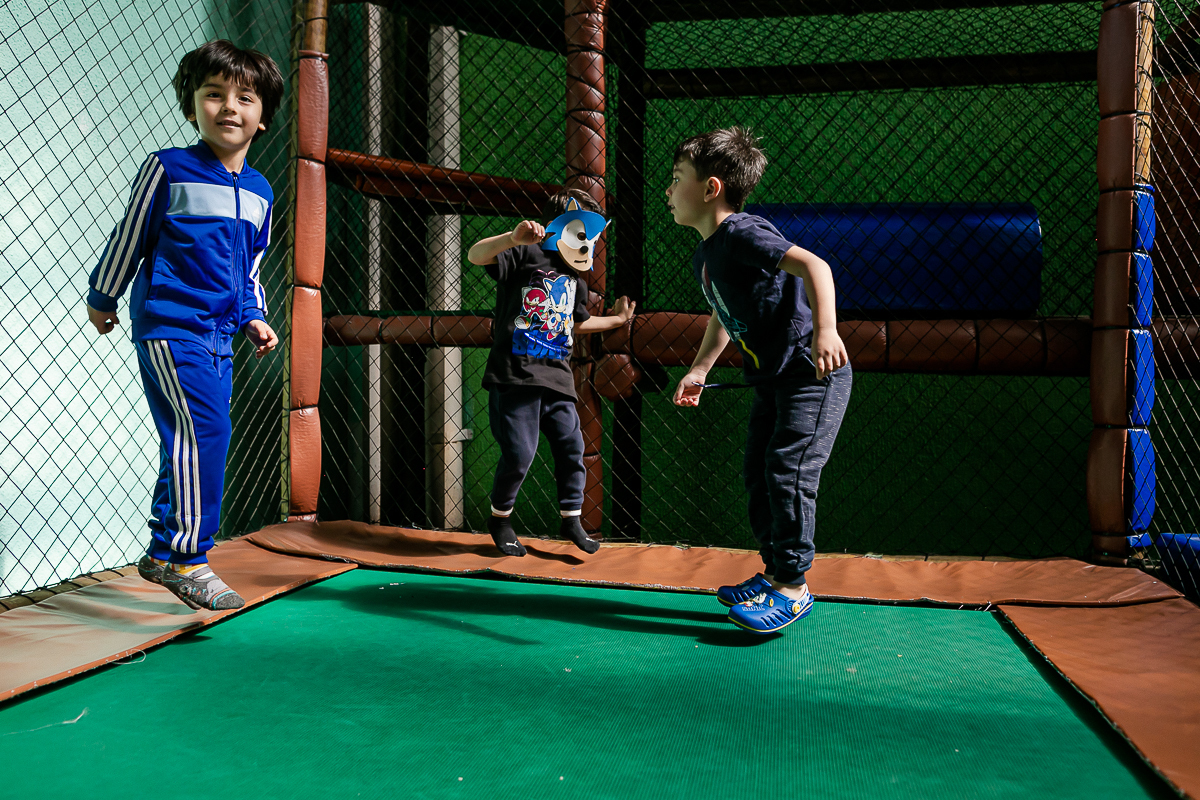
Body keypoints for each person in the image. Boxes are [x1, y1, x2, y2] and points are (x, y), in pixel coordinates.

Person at [84, 40, 284, 611]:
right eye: (213, 94)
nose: (229, 107)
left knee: (194, 437)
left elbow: (248, 270)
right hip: (172, 328)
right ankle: (189, 559)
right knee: (205, 434)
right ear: (192, 105)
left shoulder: (261, 193)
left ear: (262, 116)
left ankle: (159, 553)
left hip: (222, 336)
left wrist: (254, 317)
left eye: (244, 98)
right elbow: (132, 235)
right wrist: (105, 295)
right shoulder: (168, 168)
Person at [667, 127, 852, 634]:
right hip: (774, 379)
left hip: (812, 373)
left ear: (711, 189)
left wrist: (827, 331)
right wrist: (700, 369)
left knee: (787, 471)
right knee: (758, 471)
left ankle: (793, 588)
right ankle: (774, 574)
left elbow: (816, 265)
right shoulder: (707, 254)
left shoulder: (742, 232)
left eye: (676, 178)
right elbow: (724, 315)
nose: (667, 190)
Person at [467, 190, 635, 557]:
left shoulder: (575, 278)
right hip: (516, 375)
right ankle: (501, 518)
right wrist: (511, 239)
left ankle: (571, 518)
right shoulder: (527, 253)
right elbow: (476, 255)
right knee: (519, 453)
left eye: (592, 237)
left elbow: (576, 324)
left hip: (558, 378)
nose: (587, 242)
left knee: (572, 447)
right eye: (581, 232)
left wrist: (619, 320)